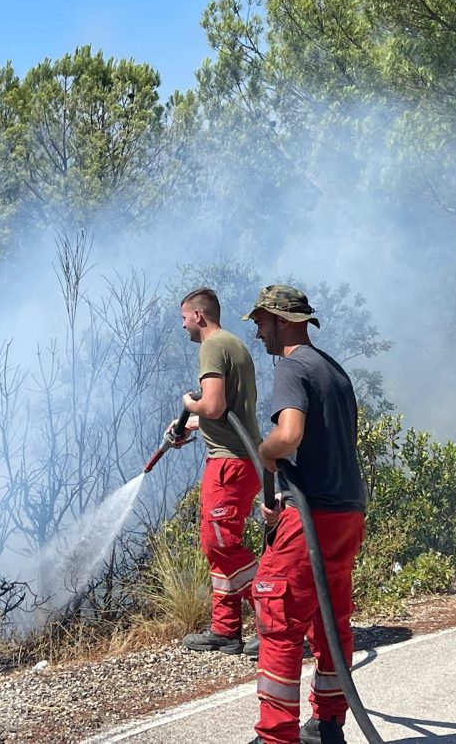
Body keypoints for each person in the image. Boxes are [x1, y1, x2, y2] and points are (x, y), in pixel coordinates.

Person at [243, 284, 366, 744]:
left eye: (260, 322)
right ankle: (329, 725)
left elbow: (290, 434)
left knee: (278, 615)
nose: (257, 333)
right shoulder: (334, 370)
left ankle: (277, 736)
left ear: (281, 320)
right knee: (331, 620)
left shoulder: (293, 366)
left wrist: (266, 452)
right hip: (346, 513)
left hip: (311, 515)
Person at [173, 286, 263, 655]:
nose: (183, 327)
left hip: (231, 462)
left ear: (198, 315)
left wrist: (188, 404)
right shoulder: (232, 344)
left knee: (220, 543)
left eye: (183, 319)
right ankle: (225, 629)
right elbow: (227, 411)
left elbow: (213, 405)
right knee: (218, 545)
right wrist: (187, 424)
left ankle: (275, 620)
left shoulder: (212, 346)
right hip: (237, 458)